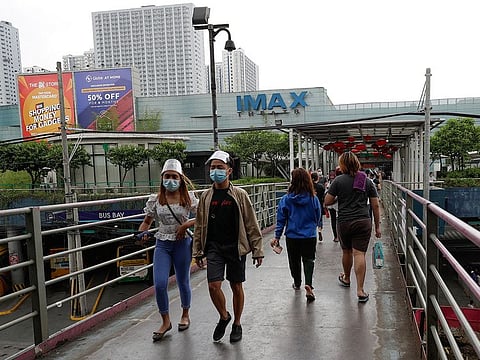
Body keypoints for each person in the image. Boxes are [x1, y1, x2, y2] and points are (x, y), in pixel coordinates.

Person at [192, 150, 264, 343]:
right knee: (213, 286)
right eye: (213, 167)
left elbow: (251, 223)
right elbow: (199, 225)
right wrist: (197, 251)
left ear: (229, 170)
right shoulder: (206, 197)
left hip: (235, 246)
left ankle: (237, 323)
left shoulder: (240, 195)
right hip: (214, 247)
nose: (215, 171)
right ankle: (224, 316)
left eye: (220, 167)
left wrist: (257, 250)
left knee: (236, 285)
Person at [138, 159, 198, 342]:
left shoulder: (189, 198)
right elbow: (147, 222)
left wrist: (187, 224)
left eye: (174, 177)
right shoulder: (155, 200)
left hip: (182, 244)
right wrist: (143, 233)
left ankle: (185, 314)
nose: (170, 180)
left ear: (180, 179)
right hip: (162, 243)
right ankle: (165, 320)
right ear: (162, 178)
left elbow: (203, 216)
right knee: (160, 283)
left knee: (183, 281)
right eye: (167, 177)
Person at [324, 152, 381, 303]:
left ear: (342, 165)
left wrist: (339, 197)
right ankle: (360, 290)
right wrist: (378, 227)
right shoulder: (367, 181)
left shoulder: (338, 181)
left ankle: (347, 278)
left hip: (344, 221)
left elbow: (327, 201)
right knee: (359, 254)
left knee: (347, 251)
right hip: (363, 221)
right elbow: (375, 205)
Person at [270, 168, 321, 302]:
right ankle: (308, 284)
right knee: (309, 260)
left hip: (292, 235)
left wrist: (277, 236)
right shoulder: (313, 198)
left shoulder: (286, 199)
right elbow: (317, 216)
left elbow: (281, 220)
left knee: (294, 261)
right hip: (309, 235)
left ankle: (297, 282)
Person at [326, 166, 342, 242]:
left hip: (331, 205)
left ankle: (336, 236)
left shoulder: (329, 183)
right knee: (338, 220)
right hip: (338, 204)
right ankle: (338, 236)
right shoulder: (338, 181)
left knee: (333, 220)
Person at [310, 172, 325, 241]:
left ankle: (312, 231)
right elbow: (323, 196)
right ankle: (319, 230)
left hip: (310, 205)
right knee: (320, 218)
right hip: (319, 204)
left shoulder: (309, 187)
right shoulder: (321, 186)